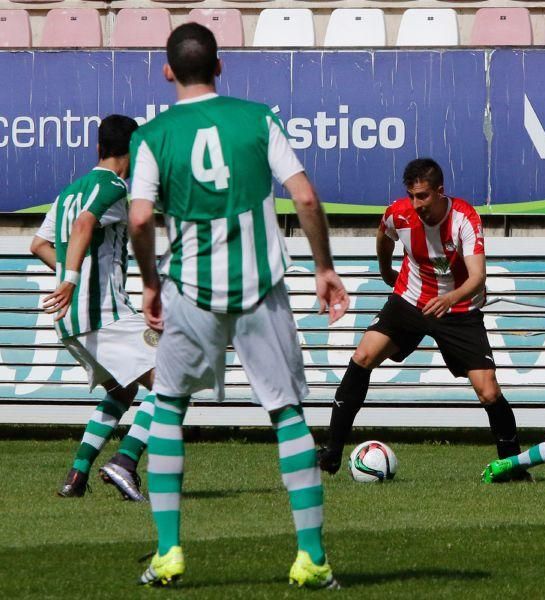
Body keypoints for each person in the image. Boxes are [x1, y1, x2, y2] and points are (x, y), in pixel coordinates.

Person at [127, 23, 348, 589]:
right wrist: (324, 268)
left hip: (189, 288)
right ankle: (312, 556)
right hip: (261, 284)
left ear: (168, 70)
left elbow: (139, 219)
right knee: (287, 412)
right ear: (220, 66)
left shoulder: (151, 135)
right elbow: (303, 195)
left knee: (170, 408)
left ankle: (170, 551)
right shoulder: (258, 118)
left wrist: (150, 280)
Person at [316, 158, 527, 480]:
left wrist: (449, 299)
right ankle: (331, 452)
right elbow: (383, 233)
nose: (417, 204)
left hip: (457, 310)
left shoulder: (464, 219)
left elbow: (478, 277)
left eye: (424, 196)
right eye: (412, 196)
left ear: (440, 192)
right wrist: (386, 269)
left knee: (488, 391)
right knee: (362, 357)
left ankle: (512, 467)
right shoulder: (399, 213)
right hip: (410, 301)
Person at [31, 114, 157, 502]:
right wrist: (72, 279)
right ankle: (126, 461)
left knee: (122, 393)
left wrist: (72, 276)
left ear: (99, 147)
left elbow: (38, 244)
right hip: (103, 313)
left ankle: (76, 474)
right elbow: (86, 223)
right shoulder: (116, 188)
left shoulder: (69, 191)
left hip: (69, 320)